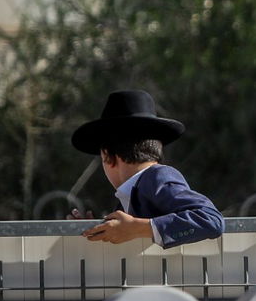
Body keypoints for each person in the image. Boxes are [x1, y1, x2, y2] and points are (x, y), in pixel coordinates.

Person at [70, 90, 224, 248]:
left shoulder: (157, 177)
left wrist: (138, 228)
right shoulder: (131, 195)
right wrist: (94, 230)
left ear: (108, 156)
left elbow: (211, 219)